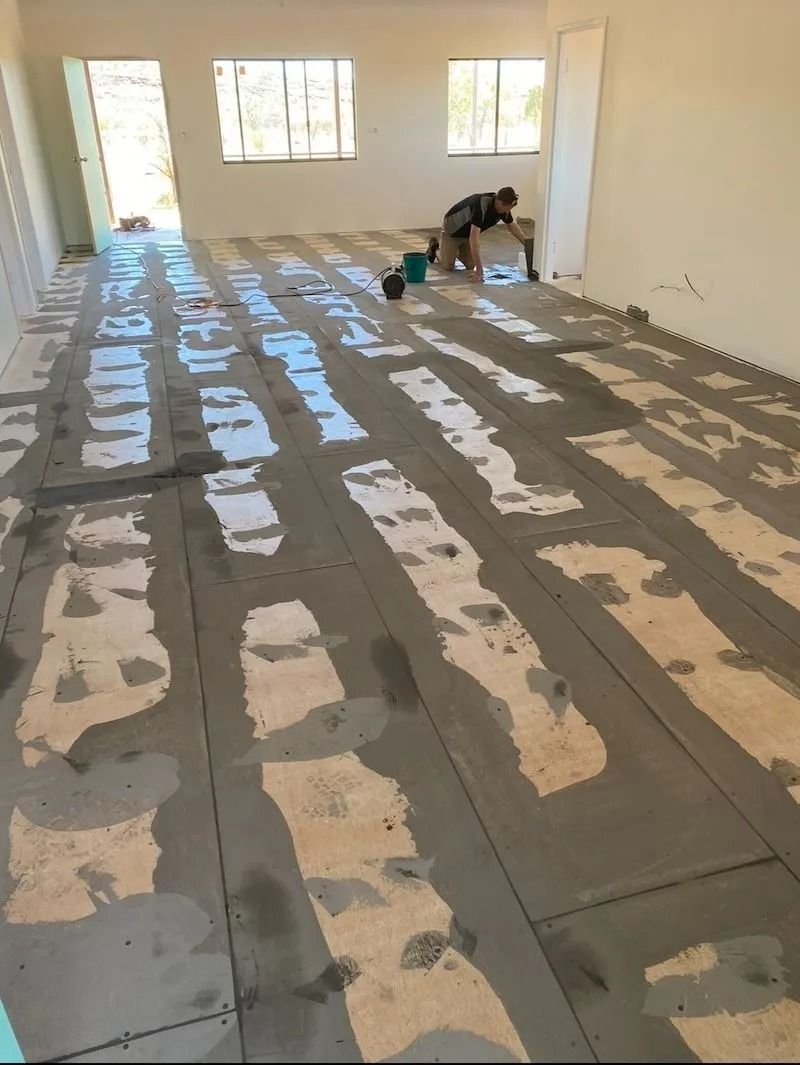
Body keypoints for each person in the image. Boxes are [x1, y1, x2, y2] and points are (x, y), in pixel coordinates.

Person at [427, 187, 528, 283]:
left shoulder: (503, 208)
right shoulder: (481, 204)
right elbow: (474, 238)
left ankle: (455, 250)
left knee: (471, 265)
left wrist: (527, 245)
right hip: (452, 230)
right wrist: (479, 270)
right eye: (506, 207)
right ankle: (435, 249)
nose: (507, 211)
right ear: (499, 201)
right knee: (448, 266)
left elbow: (511, 226)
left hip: (466, 234)